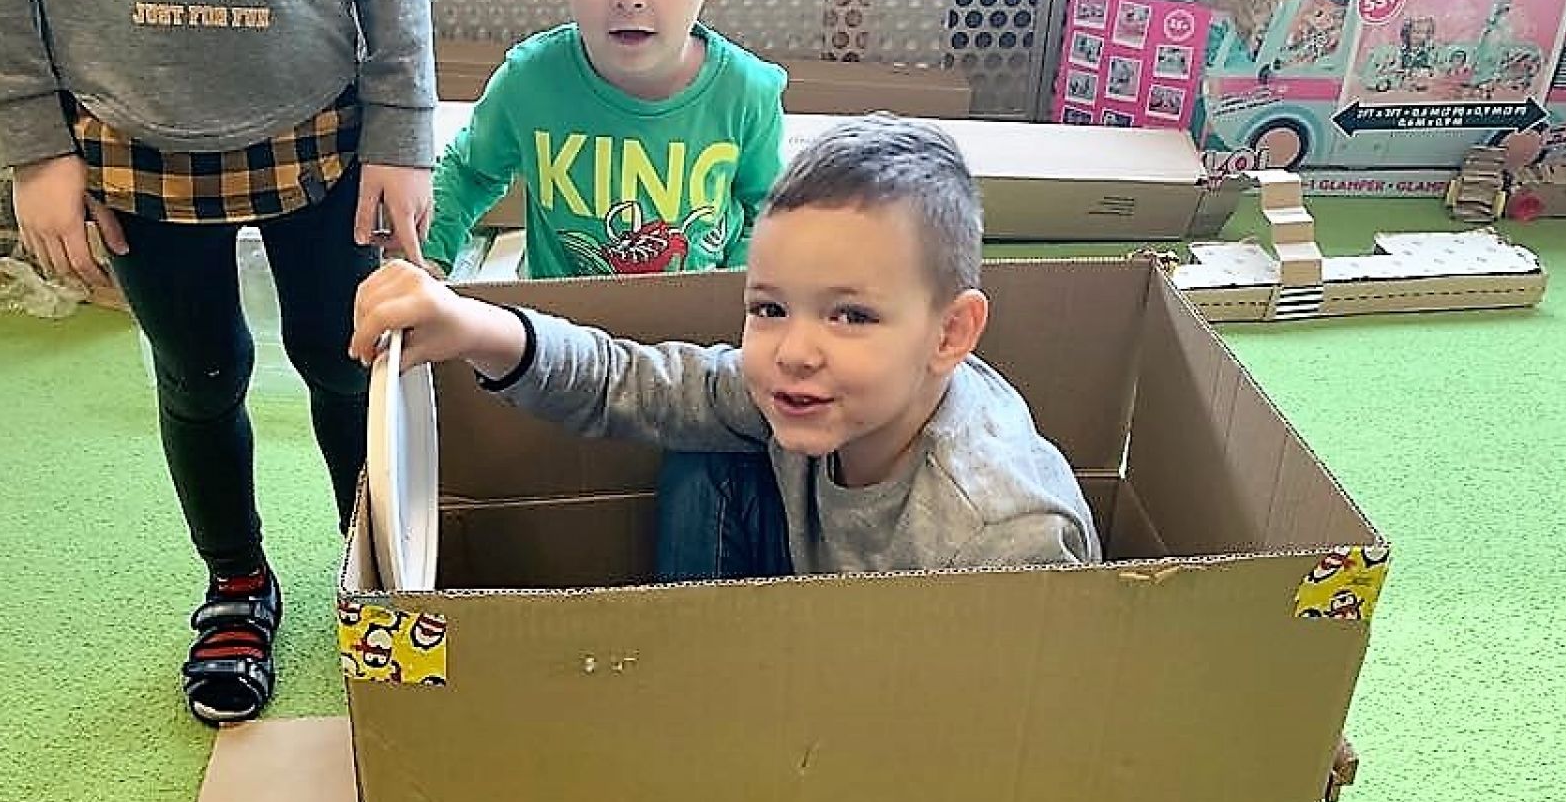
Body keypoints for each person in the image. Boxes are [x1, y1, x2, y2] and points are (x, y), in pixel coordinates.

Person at [0, 0, 438, 725]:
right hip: (123, 130)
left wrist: (403, 117)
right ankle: (236, 579)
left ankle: (376, 580)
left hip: (324, 115)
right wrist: (31, 140)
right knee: (199, 374)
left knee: (347, 359)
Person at [355, 115, 1102, 578]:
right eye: (770, 308)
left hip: (921, 694)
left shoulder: (1002, 535)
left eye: (850, 316)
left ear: (950, 334)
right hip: (824, 620)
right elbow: (634, 384)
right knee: (703, 446)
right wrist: (474, 326)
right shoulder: (802, 392)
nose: (795, 351)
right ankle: (699, 669)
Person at [421, 0, 785, 282]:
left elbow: (769, 213)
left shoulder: (747, 94)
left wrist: (737, 295)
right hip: (556, 322)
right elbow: (469, 172)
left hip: (694, 322)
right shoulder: (528, 82)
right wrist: (429, 258)